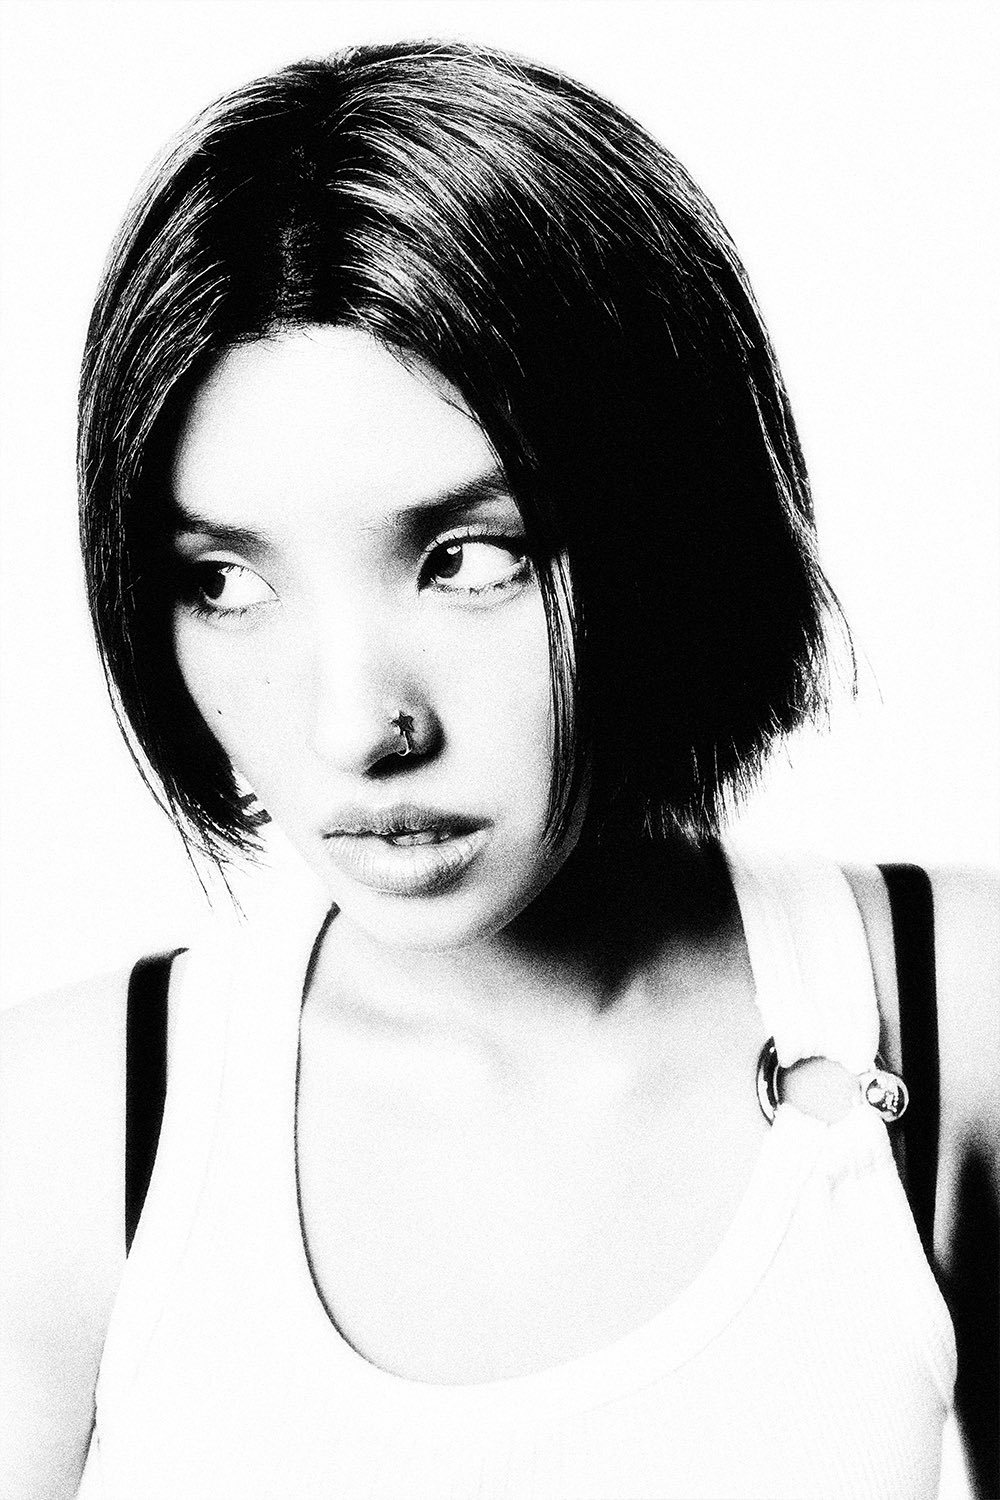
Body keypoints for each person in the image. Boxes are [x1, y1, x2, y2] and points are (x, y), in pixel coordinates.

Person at [1, 39, 996, 1500]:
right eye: (226, 582)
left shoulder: (948, 1013)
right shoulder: (67, 1129)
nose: (358, 727)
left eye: (470, 558)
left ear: (665, 515)